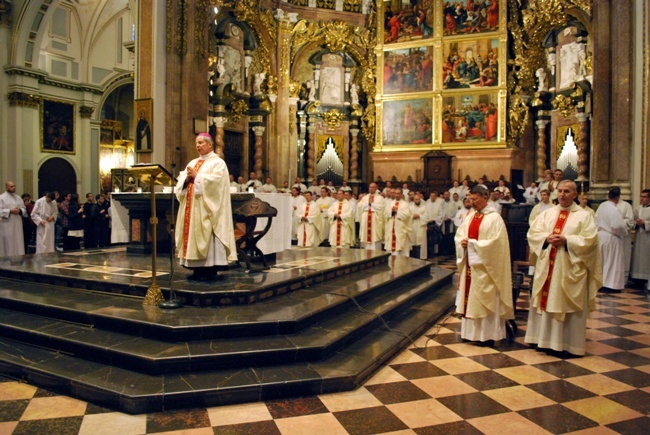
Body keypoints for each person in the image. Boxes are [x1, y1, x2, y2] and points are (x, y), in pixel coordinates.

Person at [525, 180, 601, 356]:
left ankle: (568, 345)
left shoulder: (584, 216)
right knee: (546, 301)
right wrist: (546, 238)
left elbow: (590, 241)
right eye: (560, 191)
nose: (562, 194)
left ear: (575, 195)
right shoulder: (547, 214)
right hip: (548, 267)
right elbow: (533, 234)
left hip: (569, 268)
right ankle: (543, 341)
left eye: (567, 191)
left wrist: (567, 240)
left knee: (566, 304)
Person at [454, 185, 513, 344]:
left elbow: (497, 245)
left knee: (485, 299)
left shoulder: (495, 218)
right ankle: (470, 334)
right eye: (469, 199)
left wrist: (473, 244)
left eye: (475, 199)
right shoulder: (470, 216)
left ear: (485, 197)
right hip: (470, 266)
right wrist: (462, 242)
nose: (471, 202)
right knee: (470, 299)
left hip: (487, 269)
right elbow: (459, 235)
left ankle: (487, 336)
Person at [174, 133, 237, 281]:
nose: (198, 145)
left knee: (209, 236)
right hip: (191, 208)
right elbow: (180, 183)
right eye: (196, 143)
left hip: (207, 209)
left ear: (210, 144)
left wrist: (198, 177)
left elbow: (217, 184)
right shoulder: (192, 162)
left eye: (201, 143)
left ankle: (210, 269)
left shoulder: (218, 163)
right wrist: (186, 180)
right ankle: (196, 268)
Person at [596, 187, 628, 293]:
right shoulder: (614, 209)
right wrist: (624, 233)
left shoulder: (602, 205)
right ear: (618, 197)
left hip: (600, 236)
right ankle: (611, 285)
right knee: (612, 262)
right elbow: (617, 225)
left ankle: (601, 283)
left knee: (603, 262)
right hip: (611, 237)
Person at [0, 181, 27, 256]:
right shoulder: (2, 198)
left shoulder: (18, 198)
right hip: (7, 223)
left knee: (18, 241)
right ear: (7, 187)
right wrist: (10, 211)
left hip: (17, 222)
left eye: (14, 186)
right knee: (9, 242)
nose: (13, 188)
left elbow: (24, 209)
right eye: (11, 186)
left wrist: (20, 210)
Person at [631, 189, 650, 291]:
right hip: (639, 236)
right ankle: (637, 279)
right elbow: (632, 221)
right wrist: (636, 223)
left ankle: (646, 278)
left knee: (646, 258)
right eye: (641, 196)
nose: (642, 199)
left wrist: (645, 223)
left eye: (644, 197)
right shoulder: (637, 209)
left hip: (647, 237)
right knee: (638, 257)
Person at [384, 189, 412, 256]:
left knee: (402, 246)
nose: (396, 195)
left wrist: (397, 212)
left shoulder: (405, 204)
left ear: (402, 194)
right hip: (392, 227)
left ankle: (403, 263)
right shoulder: (390, 203)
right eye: (395, 193)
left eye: (398, 193)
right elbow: (385, 213)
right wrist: (391, 212)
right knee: (392, 246)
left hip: (401, 228)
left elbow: (407, 215)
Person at [358, 182, 385, 250]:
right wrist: (369, 204)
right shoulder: (365, 197)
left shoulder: (380, 198)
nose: (371, 189)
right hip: (366, 221)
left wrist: (371, 204)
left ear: (376, 188)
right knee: (365, 238)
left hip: (375, 221)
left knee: (375, 239)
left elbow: (381, 208)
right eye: (370, 187)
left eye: (373, 187)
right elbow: (360, 206)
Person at [409, 193, 428, 259]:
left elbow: (427, 217)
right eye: (416, 199)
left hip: (421, 226)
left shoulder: (424, 207)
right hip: (413, 226)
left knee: (421, 242)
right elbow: (407, 216)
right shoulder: (410, 207)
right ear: (414, 200)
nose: (417, 201)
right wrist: (412, 216)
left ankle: (422, 257)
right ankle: (413, 256)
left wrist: (419, 216)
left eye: (418, 199)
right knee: (413, 241)